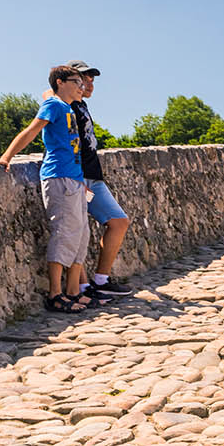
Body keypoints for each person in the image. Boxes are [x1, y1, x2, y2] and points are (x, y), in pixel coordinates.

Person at [0, 66, 93, 313]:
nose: (82, 86)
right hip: (59, 177)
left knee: (81, 236)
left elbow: (50, 93)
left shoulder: (66, 107)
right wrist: (6, 157)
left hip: (75, 179)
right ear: (61, 82)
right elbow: (32, 130)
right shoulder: (55, 106)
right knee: (64, 233)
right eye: (76, 81)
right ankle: (55, 295)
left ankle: (72, 291)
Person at [61, 61, 133, 300]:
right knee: (78, 228)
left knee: (119, 221)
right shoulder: (65, 104)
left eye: (92, 80)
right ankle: (82, 288)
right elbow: (48, 94)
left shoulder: (81, 105)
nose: (90, 84)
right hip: (77, 178)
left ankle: (101, 280)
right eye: (84, 79)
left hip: (94, 179)